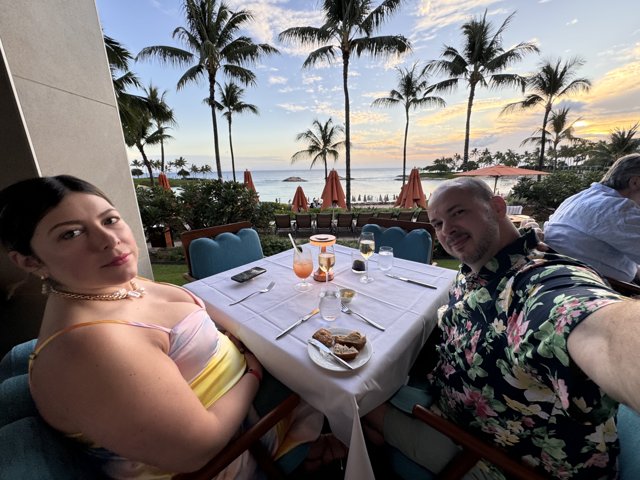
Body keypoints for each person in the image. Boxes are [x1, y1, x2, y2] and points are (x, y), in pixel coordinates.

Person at [0, 175, 339, 479]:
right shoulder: (89, 346)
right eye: (71, 233)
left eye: (110, 219)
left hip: (233, 406)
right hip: (231, 455)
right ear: (30, 261)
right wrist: (252, 374)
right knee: (338, 380)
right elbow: (197, 450)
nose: (108, 240)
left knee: (324, 358)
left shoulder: (107, 285)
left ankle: (327, 445)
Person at [363, 177, 640, 479]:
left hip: (494, 454)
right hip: (454, 408)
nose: (447, 231)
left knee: (355, 402)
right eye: (438, 223)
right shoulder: (476, 271)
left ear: (497, 206)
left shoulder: (535, 283)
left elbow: (587, 320)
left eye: (458, 213)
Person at [544, 153, 640, 283]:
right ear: (635, 182)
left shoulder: (581, 198)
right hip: (601, 288)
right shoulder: (619, 208)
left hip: (560, 275)